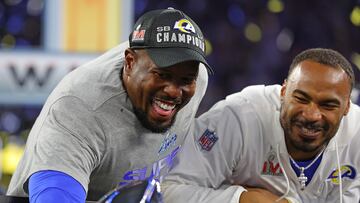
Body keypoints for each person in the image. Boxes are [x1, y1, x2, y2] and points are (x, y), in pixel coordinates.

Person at [7, 8, 213, 202]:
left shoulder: (197, 77)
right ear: (130, 63)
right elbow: (55, 194)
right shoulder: (80, 107)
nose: (174, 91)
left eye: (185, 80)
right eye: (162, 75)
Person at [162, 48, 360, 203]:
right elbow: (169, 189)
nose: (311, 115)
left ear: (346, 108)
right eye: (301, 98)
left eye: (328, 105)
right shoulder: (238, 118)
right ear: (283, 92)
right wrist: (242, 199)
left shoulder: (356, 134)